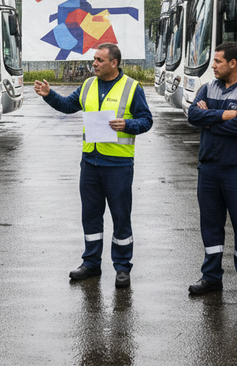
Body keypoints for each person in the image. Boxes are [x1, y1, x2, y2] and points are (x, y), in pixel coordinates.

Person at [34, 43, 153, 288]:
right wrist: (49, 95)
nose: (94, 64)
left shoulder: (131, 87)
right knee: (90, 217)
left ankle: (122, 267)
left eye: (99, 60)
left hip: (118, 165)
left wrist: (128, 126)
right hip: (90, 163)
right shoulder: (88, 85)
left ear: (114, 63)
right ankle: (91, 263)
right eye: (94, 59)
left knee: (121, 217)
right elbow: (68, 106)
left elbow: (146, 120)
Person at [186, 42, 237, 305]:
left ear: (233, 63)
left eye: (218, 61)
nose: (213, 66)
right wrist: (222, 116)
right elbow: (193, 115)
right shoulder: (209, 86)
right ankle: (211, 277)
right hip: (209, 169)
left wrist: (210, 119)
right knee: (210, 227)